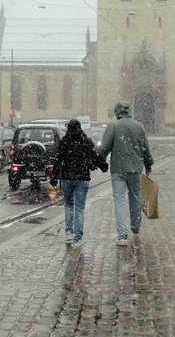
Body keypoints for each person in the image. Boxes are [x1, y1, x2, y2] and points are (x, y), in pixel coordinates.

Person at [99, 101, 153, 247]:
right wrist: (148, 165)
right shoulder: (139, 127)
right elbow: (145, 149)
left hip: (118, 169)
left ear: (117, 112)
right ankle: (135, 226)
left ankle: (122, 235)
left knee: (119, 200)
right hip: (135, 169)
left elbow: (104, 148)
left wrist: (99, 161)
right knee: (135, 197)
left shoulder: (114, 126)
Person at [56, 119, 106, 248]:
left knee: (68, 205)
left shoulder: (64, 142)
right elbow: (94, 156)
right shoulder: (86, 141)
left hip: (67, 177)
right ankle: (77, 238)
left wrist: (54, 176)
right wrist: (102, 165)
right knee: (79, 208)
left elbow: (58, 159)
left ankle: (68, 232)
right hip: (82, 178)